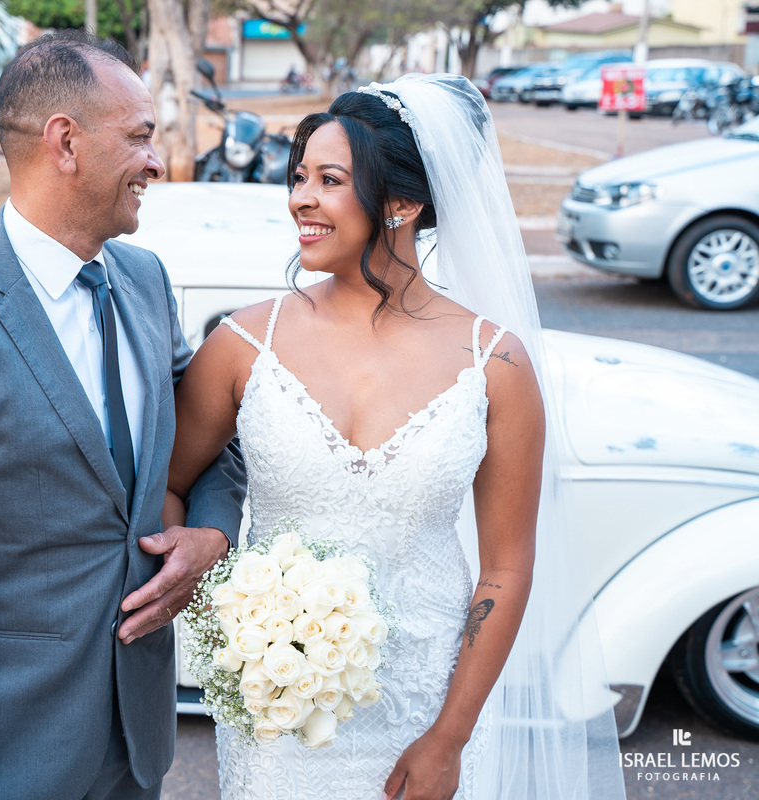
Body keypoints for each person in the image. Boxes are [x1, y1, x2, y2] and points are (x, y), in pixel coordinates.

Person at [164, 75, 626, 799]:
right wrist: (206, 581)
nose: (300, 198)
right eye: (298, 177)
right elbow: (170, 483)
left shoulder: (495, 364)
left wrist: (451, 734)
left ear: (403, 204)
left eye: (329, 180)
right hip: (276, 710)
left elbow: (506, 567)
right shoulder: (243, 343)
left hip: (425, 703)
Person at [0, 31, 245, 800]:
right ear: (65, 142)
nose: (157, 161)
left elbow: (209, 434)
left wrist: (212, 533)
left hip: (135, 748)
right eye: (139, 137)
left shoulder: (145, 280)